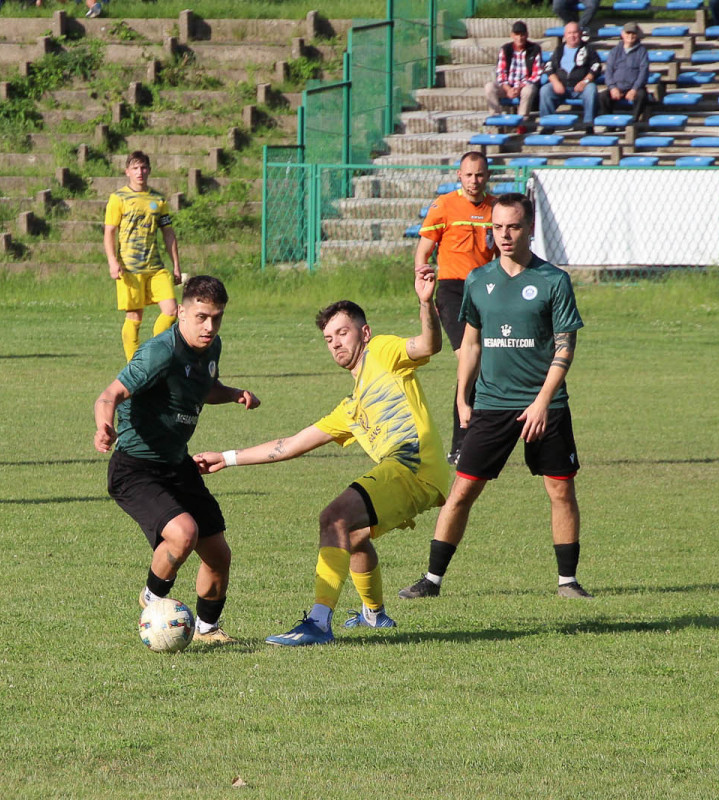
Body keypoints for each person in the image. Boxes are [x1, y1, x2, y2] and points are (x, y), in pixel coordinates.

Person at [194, 273, 448, 646]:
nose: (335, 344)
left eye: (342, 333)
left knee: (334, 517)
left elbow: (429, 344)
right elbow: (291, 444)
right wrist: (227, 458)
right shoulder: (351, 407)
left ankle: (318, 622)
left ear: (364, 333)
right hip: (412, 474)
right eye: (329, 339)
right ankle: (375, 616)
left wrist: (426, 303)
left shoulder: (382, 351)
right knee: (353, 535)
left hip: (413, 467)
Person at [399, 194, 592, 601]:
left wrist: (541, 402)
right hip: (492, 404)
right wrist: (462, 397)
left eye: (514, 226)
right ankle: (431, 581)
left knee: (560, 490)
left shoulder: (553, 281)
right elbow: (470, 344)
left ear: (530, 229)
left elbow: (564, 348)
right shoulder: (478, 280)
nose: (504, 235)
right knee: (462, 491)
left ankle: (567, 583)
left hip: (546, 406)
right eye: (498, 227)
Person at [93, 275, 260, 645]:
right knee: (184, 534)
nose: (209, 326)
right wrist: (104, 426)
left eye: (216, 318)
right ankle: (152, 599)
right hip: (135, 467)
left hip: (176, 464)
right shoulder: (160, 352)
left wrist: (234, 394)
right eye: (201, 317)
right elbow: (110, 394)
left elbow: (204, 386)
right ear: (181, 312)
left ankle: (207, 630)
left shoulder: (211, 348)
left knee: (218, 554)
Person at [415, 151, 497, 465]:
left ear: (487, 175)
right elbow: (423, 252)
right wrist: (423, 296)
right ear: (459, 176)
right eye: (468, 175)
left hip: (484, 288)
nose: (474, 180)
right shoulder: (444, 205)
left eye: (480, 175)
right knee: (468, 358)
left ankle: (469, 442)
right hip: (451, 289)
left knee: (478, 366)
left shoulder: (495, 208)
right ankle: (460, 444)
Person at [103, 151, 181, 362]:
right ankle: (134, 367)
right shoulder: (118, 198)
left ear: (149, 170)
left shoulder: (158, 199)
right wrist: (112, 261)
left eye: (144, 167)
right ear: (127, 171)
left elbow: (168, 233)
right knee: (135, 317)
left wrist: (176, 265)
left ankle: (156, 354)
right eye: (135, 168)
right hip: (130, 269)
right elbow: (110, 231)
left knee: (172, 311)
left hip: (156, 268)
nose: (140, 172)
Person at [539, 22, 602, 135]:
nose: (572, 36)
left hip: (580, 87)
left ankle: (589, 125)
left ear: (580, 34)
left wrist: (585, 81)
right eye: (569, 33)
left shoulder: (588, 49)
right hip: (561, 86)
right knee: (545, 90)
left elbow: (596, 66)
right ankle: (548, 126)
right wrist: (555, 82)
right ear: (565, 35)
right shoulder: (559, 50)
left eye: (575, 33)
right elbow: (548, 67)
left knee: (591, 89)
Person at [485, 20, 543, 129]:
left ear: (527, 35)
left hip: (524, 85)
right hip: (507, 86)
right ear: (512, 35)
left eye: (522, 35)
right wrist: (508, 89)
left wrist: (519, 87)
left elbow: (536, 74)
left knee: (528, 90)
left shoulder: (535, 49)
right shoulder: (505, 49)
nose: (519, 38)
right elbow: (500, 72)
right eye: (517, 35)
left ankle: (522, 122)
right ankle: (496, 120)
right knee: (489, 87)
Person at [597, 22, 650, 124]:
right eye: (628, 33)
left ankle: (633, 122)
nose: (630, 36)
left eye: (633, 33)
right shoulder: (614, 51)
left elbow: (643, 73)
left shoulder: (642, 51)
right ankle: (609, 124)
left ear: (637, 35)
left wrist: (634, 89)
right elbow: (608, 72)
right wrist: (612, 88)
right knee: (603, 96)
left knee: (642, 95)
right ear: (622, 34)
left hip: (634, 88)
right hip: (617, 87)